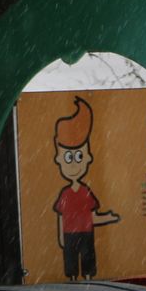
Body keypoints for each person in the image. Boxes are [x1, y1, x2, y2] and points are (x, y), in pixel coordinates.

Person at [51, 97, 120, 280]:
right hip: (70, 234)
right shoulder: (65, 194)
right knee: (72, 261)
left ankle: (88, 280)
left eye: (79, 156)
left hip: (85, 233)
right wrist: (60, 237)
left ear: (88, 157)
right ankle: (74, 280)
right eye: (68, 158)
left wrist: (107, 217)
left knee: (87, 259)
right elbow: (60, 217)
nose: (74, 164)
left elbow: (92, 216)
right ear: (58, 159)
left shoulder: (85, 192)